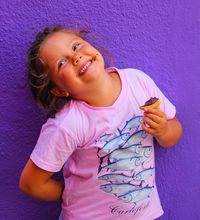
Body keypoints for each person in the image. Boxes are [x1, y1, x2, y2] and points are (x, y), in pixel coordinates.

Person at [19, 25, 182, 220]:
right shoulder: (68, 124)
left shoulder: (138, 82)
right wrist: (71, 194)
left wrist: (163, 130)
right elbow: (30, 184)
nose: (76, 57)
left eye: (76, 46)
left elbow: (174, 132)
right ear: (59, 90)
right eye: (62, 63)